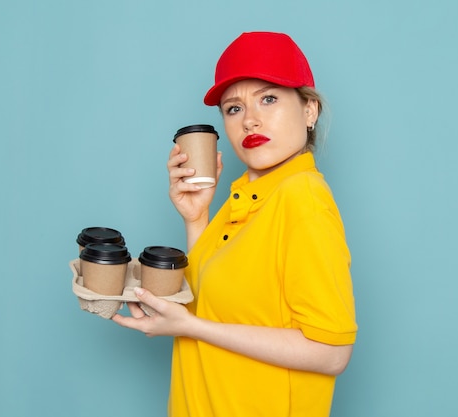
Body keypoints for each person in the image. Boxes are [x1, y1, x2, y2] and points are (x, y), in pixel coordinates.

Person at [113, 31, 357, 416]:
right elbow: (210, 305)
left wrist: (191, 328)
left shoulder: (302, 199)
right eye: (233, 108)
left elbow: (331, 353)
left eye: (269, 98)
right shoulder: (241, 197)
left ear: (309, 110)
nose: (250, 120)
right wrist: (196, 220)